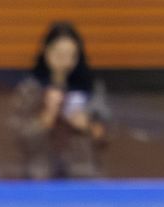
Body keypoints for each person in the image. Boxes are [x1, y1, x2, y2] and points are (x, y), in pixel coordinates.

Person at [10, 22, 107, 180]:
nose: (64, 61)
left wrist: (86, 125)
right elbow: (19, 138)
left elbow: (106, 135)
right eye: (59, 54)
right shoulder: (29, 90)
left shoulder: (89, 87)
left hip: (82, 173)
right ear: (46, 51)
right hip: (40, 175)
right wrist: (46, 117)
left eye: (70, 55)